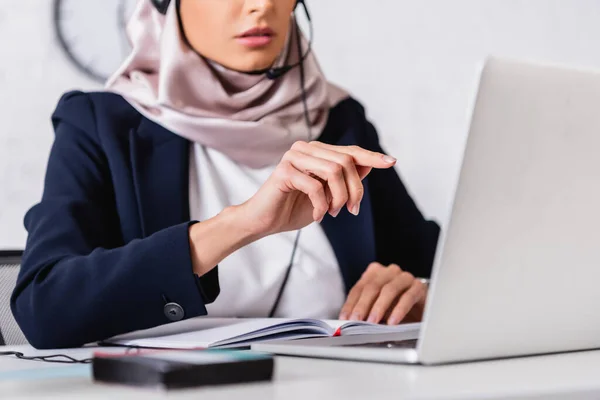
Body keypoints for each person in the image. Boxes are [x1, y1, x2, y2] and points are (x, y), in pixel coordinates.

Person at [11, 0, 440, 349]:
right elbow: (44, 307)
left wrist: (420, 291)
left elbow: (442, 267)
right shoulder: (101, 125)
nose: (261, 6)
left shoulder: (339, 121)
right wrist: (242, 223)